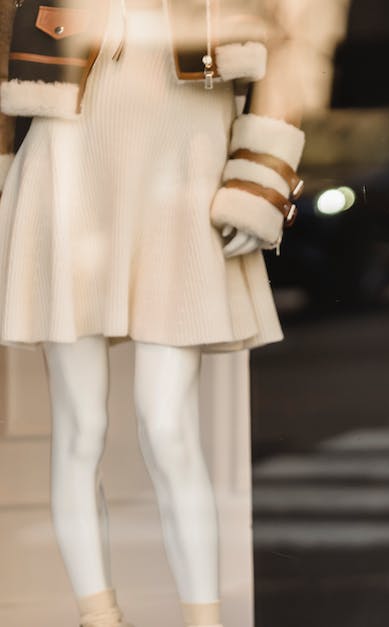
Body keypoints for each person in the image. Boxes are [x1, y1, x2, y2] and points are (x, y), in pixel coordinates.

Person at [0, 1, 302, 626]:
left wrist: (259, 182)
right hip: (67, 181)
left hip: (182, 184)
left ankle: (204, 621)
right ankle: (99, 618)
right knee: (80, 430)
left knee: (168, 426)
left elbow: (288, 55)